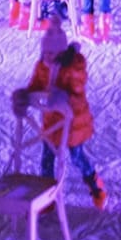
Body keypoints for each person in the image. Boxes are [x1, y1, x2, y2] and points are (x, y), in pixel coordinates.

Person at [14, 17, 108, 210]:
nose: (47, 56)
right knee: (47, 159)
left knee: (76, 157)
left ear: (61, 52)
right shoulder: (41, 66)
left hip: (73, 124)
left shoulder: (73, 68)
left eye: (52, 53)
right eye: (45, 52)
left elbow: (77, 96)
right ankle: (47, 197)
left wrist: (63, 98)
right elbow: (35, 86)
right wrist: (24, 96)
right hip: (51, 123)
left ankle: (94, 183)